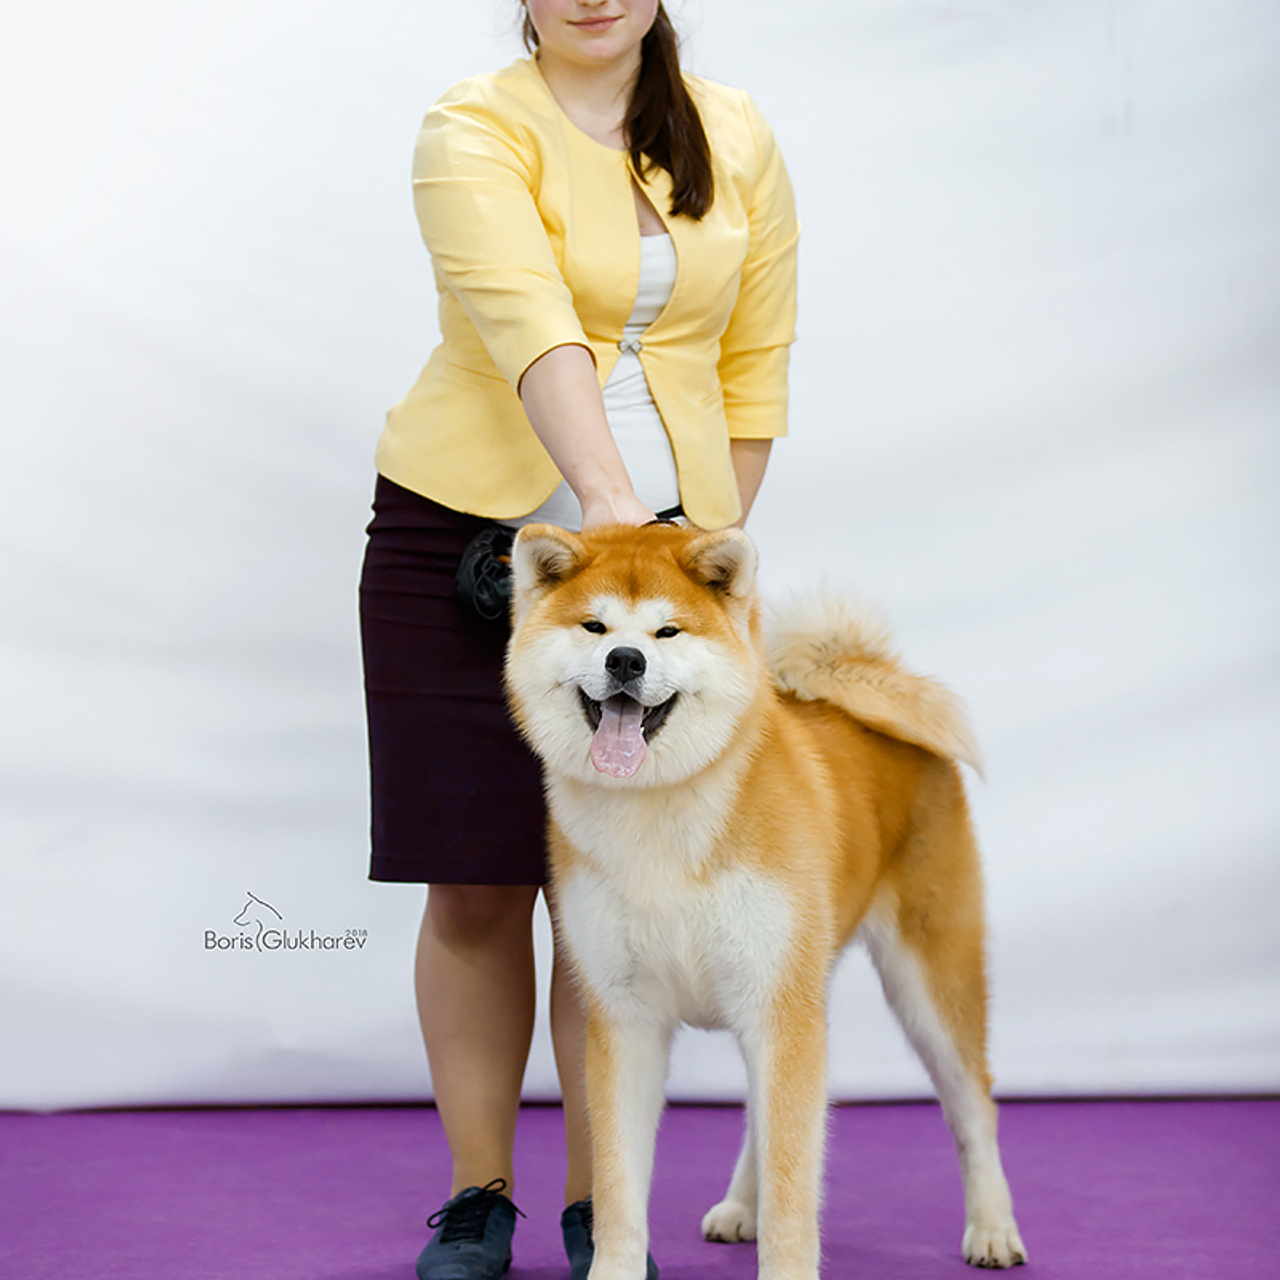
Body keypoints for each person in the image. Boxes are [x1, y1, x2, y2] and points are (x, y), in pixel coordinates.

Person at [358, 3, 799, 1278]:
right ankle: (476, 1195)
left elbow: (755, 360)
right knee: (479, 877)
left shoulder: (735, 132)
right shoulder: (474, 126)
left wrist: (697, 560)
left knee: (610, 894)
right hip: (471, 547)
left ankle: (600, 1206)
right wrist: (609, 517)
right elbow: (530, 322)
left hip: (664, 573)